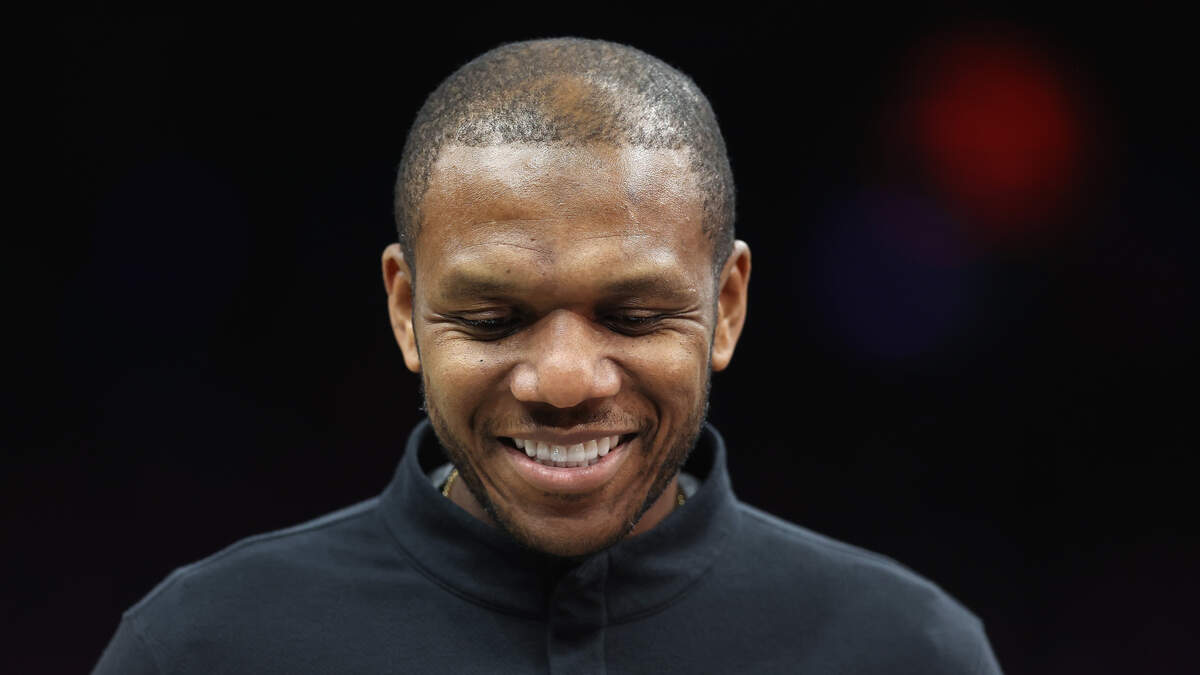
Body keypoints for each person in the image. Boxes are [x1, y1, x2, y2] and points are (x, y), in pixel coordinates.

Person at [93, 38, 1003, 674]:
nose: (564, 380)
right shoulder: (202, 649)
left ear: (726, 307)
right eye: (493, 319)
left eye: (634, 315)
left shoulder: (910, 652)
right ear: (406, 311)